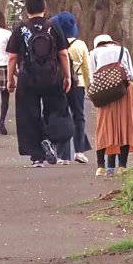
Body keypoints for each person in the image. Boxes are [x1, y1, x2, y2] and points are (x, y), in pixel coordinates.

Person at [5, 0, 70, 167]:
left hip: (28, 77)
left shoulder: (20, 28)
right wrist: (68, 76)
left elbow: (12, 57)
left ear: (27, 10)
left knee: (28, 115)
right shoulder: (53, 26)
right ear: (45, 9)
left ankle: (37, 156)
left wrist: (10, 79)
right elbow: (63, 53)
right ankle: (50, 141)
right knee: (55, 111)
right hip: (52, 76)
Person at [89, 33, 133, 177]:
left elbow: (92, 75)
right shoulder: (123, 50)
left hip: (104, 93)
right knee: (125, 125)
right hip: (124, 90)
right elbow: (130, 73)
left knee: (104, 126)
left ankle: (102, 166)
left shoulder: (94, 53)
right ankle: (122, 166)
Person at [51, 11, 94, 164]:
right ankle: (79, 151)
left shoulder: (54, 42)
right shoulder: (80, 45)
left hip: (59, 84)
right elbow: (87, 68)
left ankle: (63, 155)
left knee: (62, 117)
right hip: (78, 84)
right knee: (79, 116)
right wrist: (90, 86)